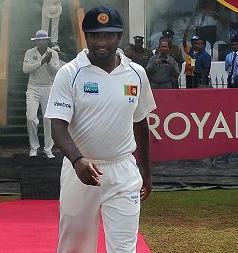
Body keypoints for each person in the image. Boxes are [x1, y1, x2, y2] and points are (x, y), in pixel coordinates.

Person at [44, 6, 156, 252]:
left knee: (125, 248)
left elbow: (141, 123)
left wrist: (146, 172)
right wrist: (77, 160)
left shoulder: (136, 74)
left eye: (108, 35)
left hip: (123, 170)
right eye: (94, 35)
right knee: (75, 246)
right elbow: (58, 126)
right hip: (81, 171)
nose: (101, 42)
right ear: (86, 36)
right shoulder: (70, 73)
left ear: (119, 36)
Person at [23, 30, 60, 158]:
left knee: (48, 119)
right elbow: (25, 69)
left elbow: (56, 71)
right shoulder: (30, 52)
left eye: (44, 40)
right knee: (31, 118)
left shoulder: (53, 53)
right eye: (39, 40)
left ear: (47, 40)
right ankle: (34, 147)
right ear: (36, 41)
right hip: (33, 88)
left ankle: (48, 149)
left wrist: (49, 62)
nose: (41, 42)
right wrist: (41, 62)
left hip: (48, 87)